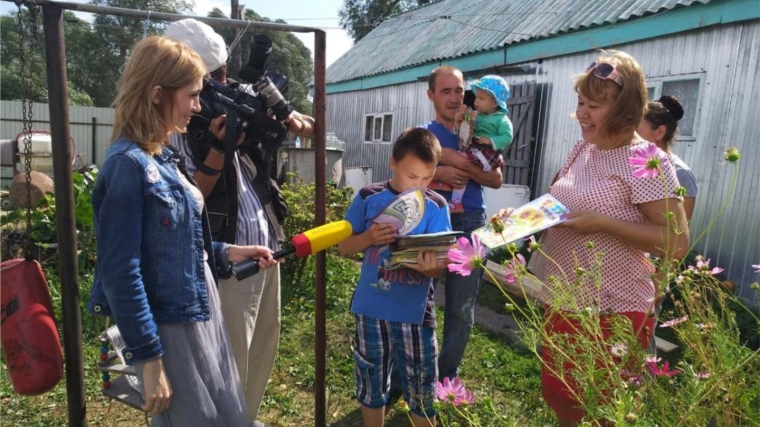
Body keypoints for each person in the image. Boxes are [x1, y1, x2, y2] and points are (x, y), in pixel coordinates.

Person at [86, 36, 278, 427]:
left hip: (199, 315)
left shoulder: (163, 157)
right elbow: (122, 271)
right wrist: (149, 358)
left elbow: (172, 244)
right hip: (171, 331)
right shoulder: (128, 166)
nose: (197, 106)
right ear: (157, 94)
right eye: (191, 95)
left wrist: (225, 252)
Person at [165, 19, 314, 426]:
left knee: (262, 347)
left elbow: (306, 126)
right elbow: (187, 198)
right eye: (208, 75)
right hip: (225, 259)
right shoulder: (174, 119)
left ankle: (244, 419)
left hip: (265, 243)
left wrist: (288, 122)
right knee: (226, 357)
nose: (219, 82)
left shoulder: (243, 94)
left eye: (221, 71)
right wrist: (218, 147)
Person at [538, 51, 690, 425]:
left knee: (601, 407)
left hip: (612, 310)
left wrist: (604, 224)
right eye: (580, 102)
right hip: (566, 298)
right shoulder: (585, 148)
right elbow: (563, 200)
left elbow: (677, 242)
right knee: (562, 396)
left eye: (595, 105)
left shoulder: (646, 160)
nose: (582, 114)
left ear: (625, 107)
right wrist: (524, 218)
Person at [338, 128, 451, 427]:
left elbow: (441, 264)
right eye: (412, 177)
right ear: (393, 163)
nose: (419, 186)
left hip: (415, 313)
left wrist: (431, 267)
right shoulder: (368, 197)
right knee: (371, 378)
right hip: (371, 309)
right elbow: (343, 247)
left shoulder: (437, 204)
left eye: (427, 179)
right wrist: (369, 237)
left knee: (422, 383)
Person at [420, 66, 503, 381]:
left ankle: (445, 375)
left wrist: (458, 161)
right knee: (419, 299)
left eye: (459, 90)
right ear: (431, 95)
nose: (455, 98)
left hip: (470, 221)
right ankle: (413, 371)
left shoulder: (481, 130)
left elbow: (495, 178)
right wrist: (437, 173)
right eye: (446, 91)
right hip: (431, 219)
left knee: (461, 308)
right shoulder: (423, 135)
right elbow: (404, 175)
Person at [637, 95, 698, 353]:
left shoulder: (680, 174)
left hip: (651, 270)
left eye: (637, 127)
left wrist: (659, 282)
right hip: (628, 260)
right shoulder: (637, 163)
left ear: (659, 132)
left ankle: (643, 389)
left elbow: (677, 238)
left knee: (640, 336)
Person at [446, 75, 513, 213]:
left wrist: (490, 140)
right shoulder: (478, 115)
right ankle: (455, 200)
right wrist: (460, 121)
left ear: (495, 102)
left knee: (460, 163)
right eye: (476, 97)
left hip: (487, 152)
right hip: (475, 148)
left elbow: (507, 137)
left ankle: (456, 202)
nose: (476, 101)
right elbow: (465, 131)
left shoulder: (502, 120)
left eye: (481, 99)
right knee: (459, 163)